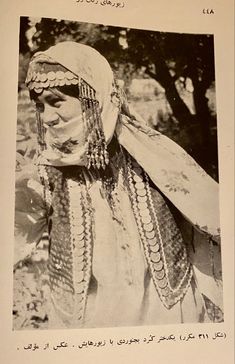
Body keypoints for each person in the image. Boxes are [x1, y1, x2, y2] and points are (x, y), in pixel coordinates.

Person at [14, 41, 223, 329]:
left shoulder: (150, 154)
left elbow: (210, 212)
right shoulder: (45, 170)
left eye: (56, 101)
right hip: (91, 315)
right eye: (40, 106)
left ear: (93, 97)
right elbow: (14, 232)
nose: (47, 117)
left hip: (164, 309)